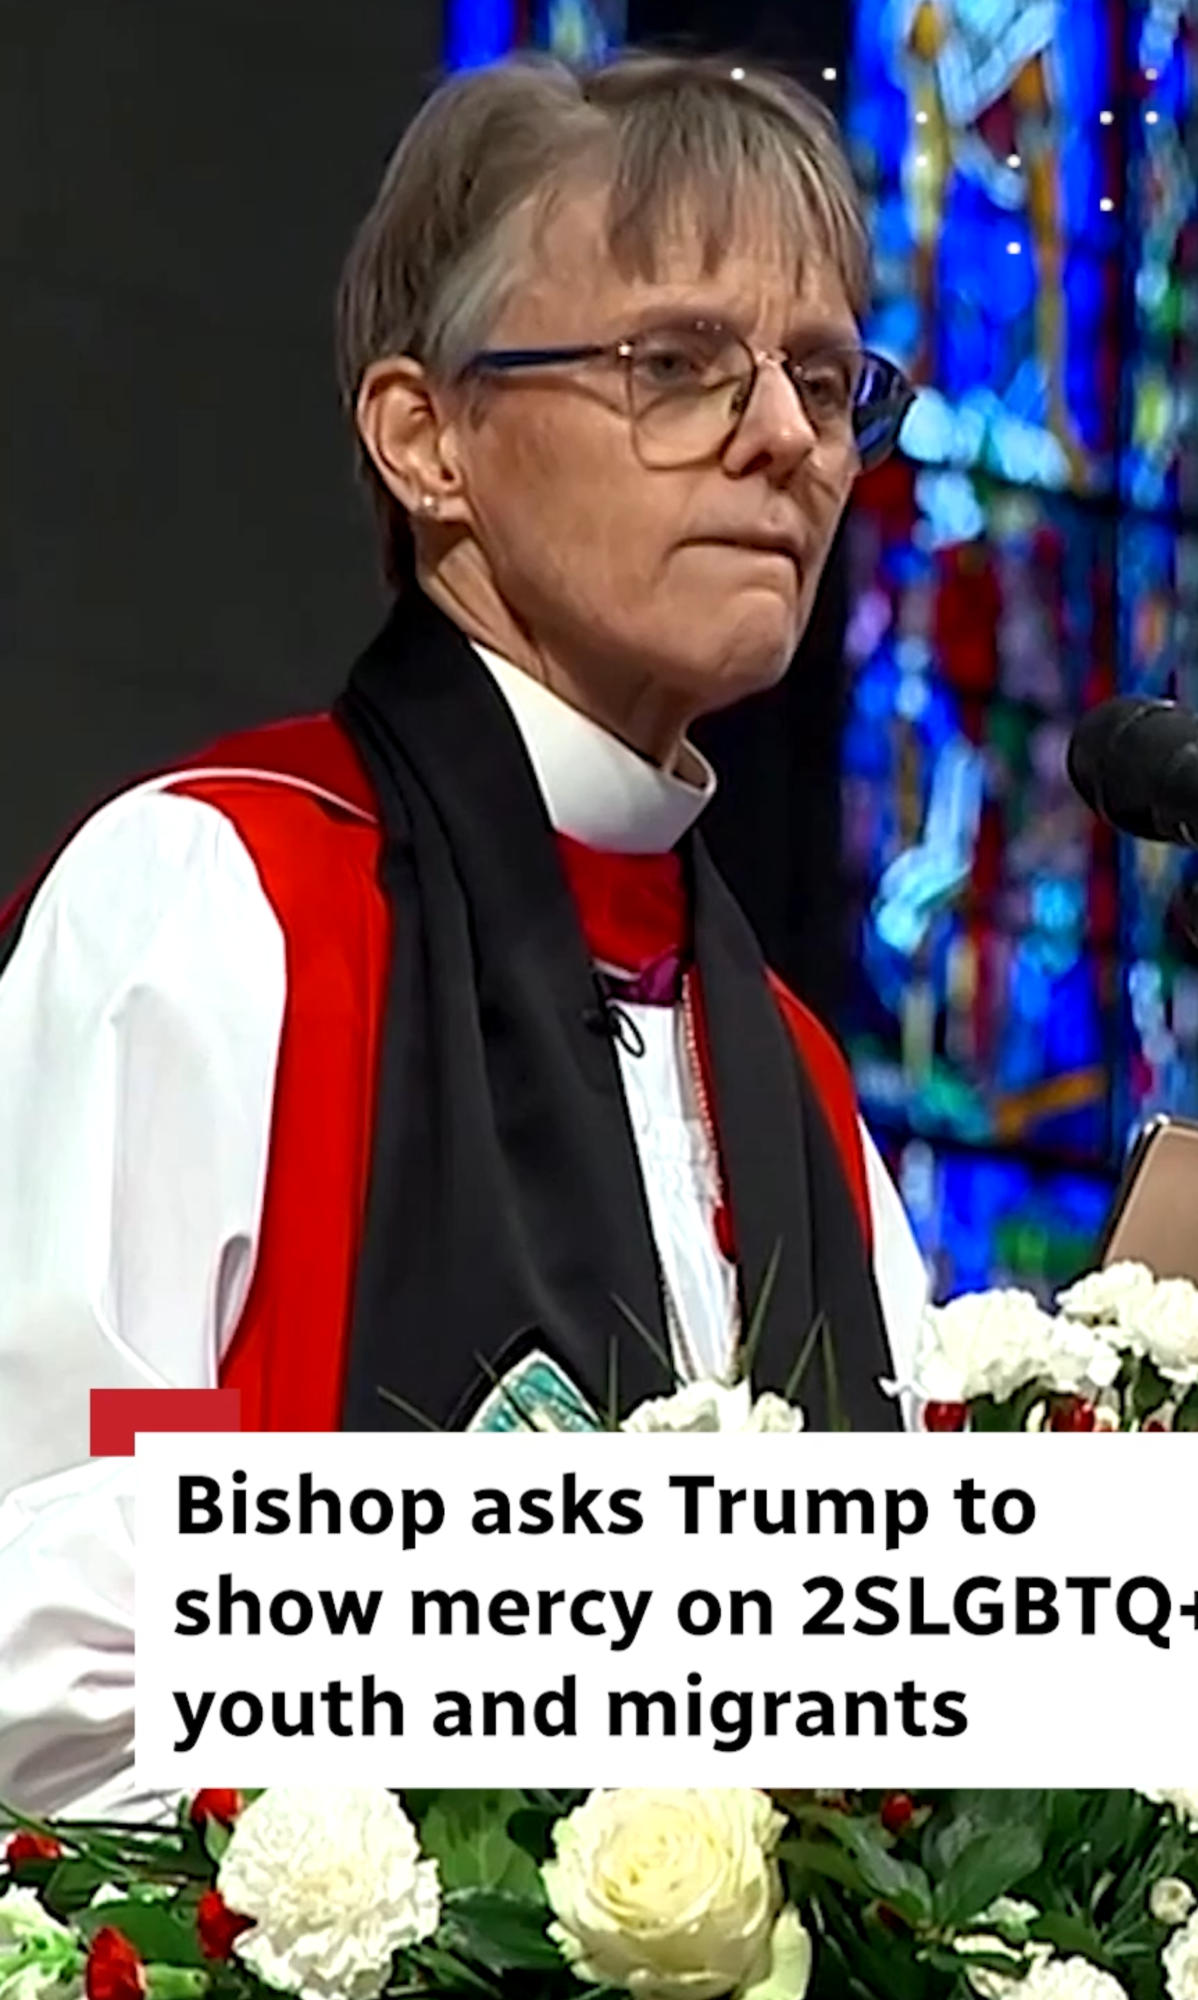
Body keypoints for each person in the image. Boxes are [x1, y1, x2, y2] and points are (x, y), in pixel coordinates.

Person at [0, 49, 933, 1816]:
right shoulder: (214, 905)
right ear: (426, 438)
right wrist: (634, 1636)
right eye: (679, 365)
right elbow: (37, 1634)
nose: (791, 439)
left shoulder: (800, 1082)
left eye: (826, 376)